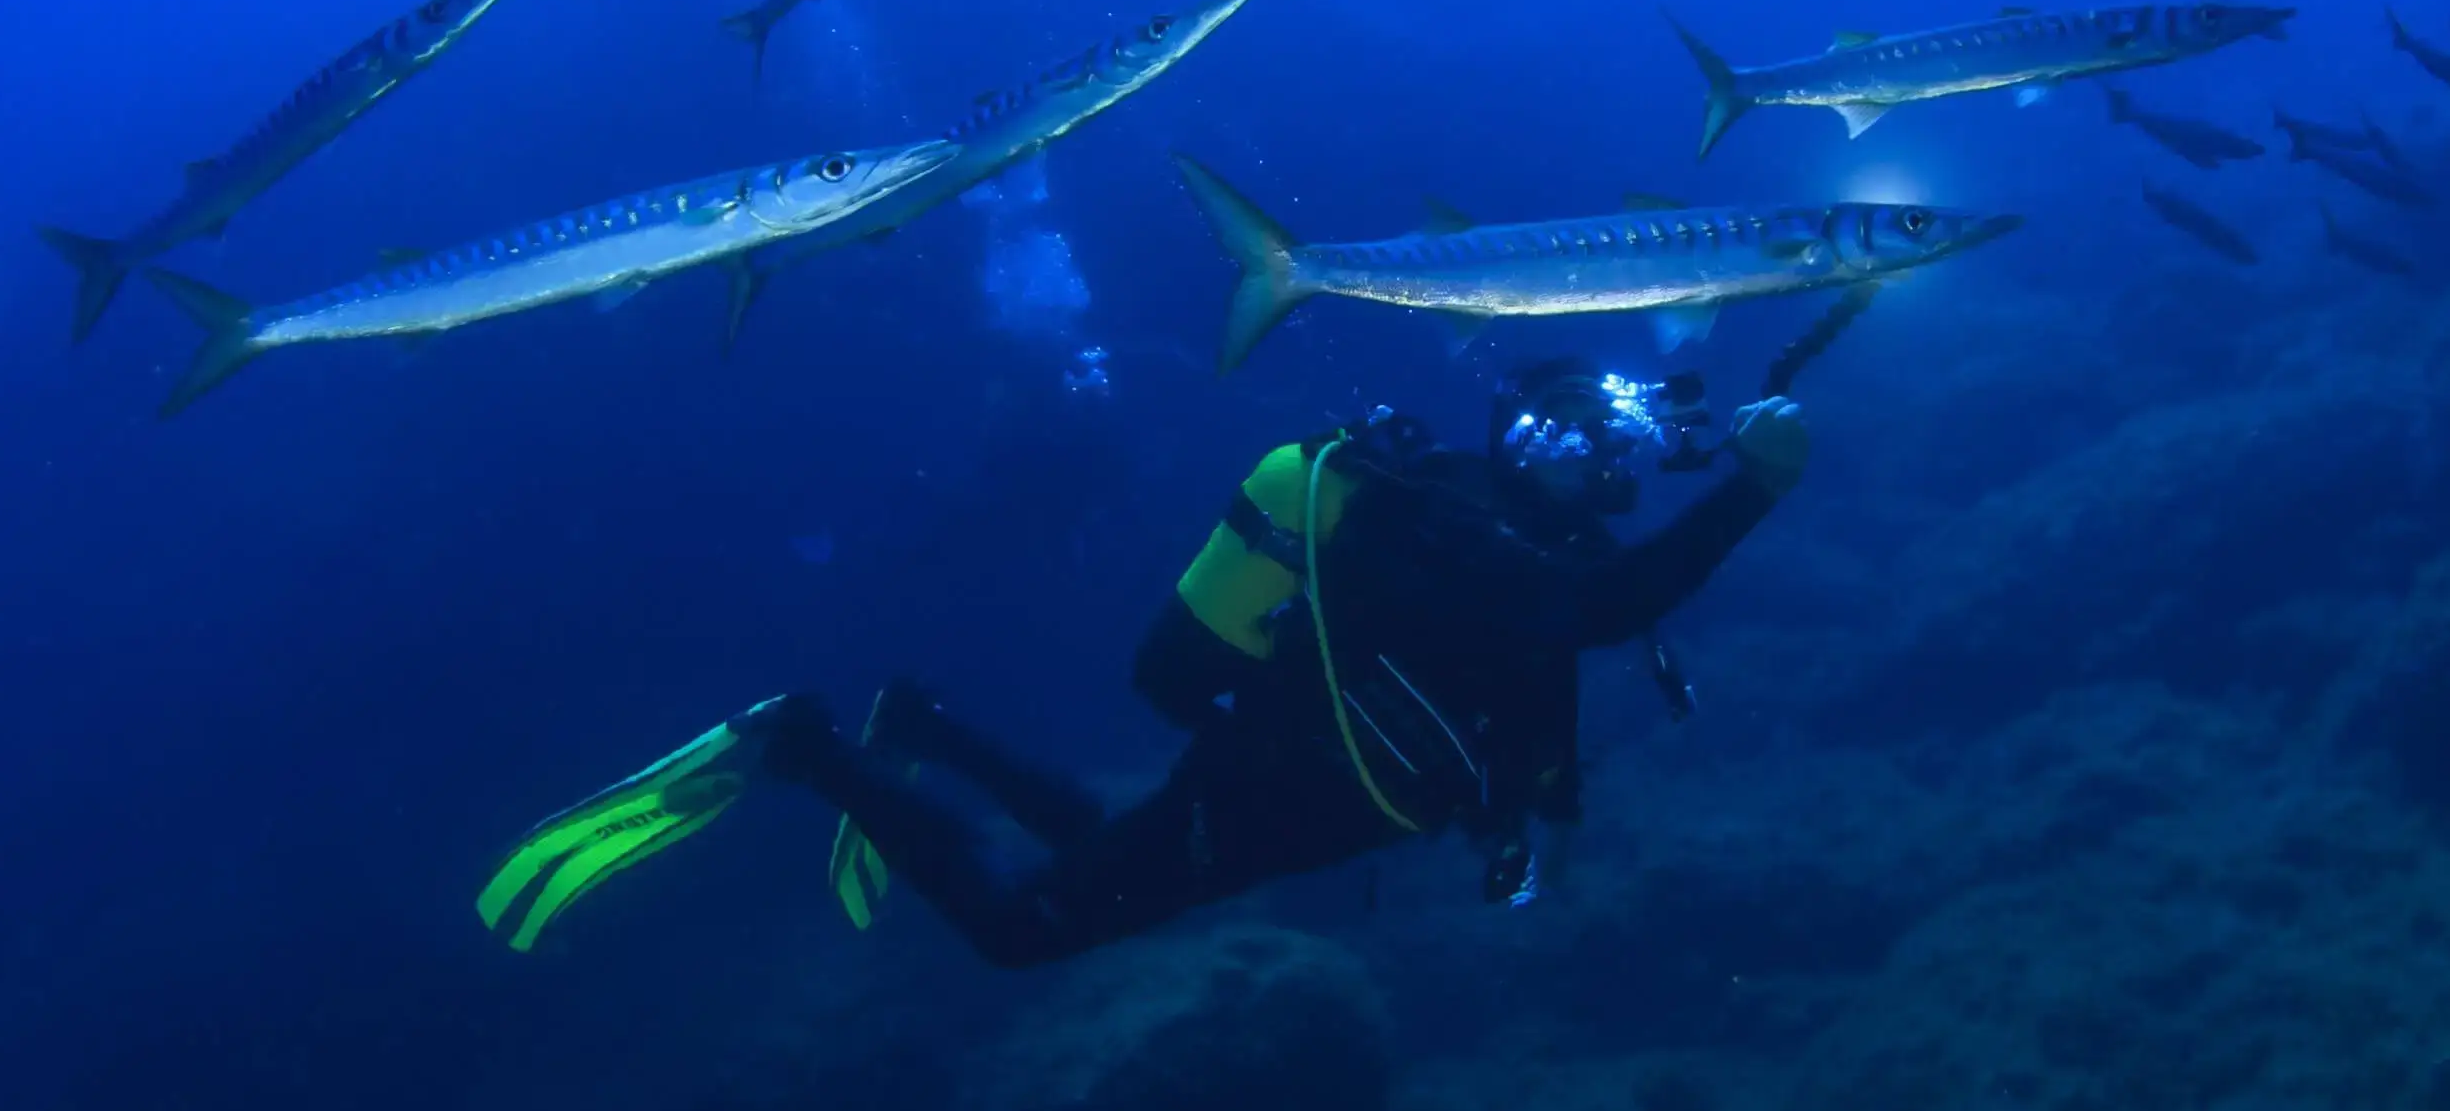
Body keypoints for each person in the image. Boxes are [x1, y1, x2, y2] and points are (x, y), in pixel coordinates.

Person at [479, 365, 1806, 966]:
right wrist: (1752, 485)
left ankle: (923, 723)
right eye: (1585, 440)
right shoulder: (1450, 515)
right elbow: (1606, 608)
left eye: (1616, 455)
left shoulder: (1512, 538)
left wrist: (1533, 817)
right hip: (1281, 777)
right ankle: (804, 742)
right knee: (1023, 932)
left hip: (1286, 781)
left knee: (1129, 834)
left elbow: (1544, 678)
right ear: (1526, 431)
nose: (1606, 466)